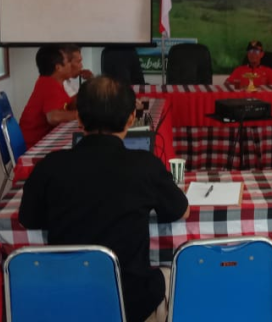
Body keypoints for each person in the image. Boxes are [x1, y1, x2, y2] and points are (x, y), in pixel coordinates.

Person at [19, 76, 190, 322]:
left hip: (66, 295)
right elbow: (181, 211)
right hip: (131, 301)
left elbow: (28, 220)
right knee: (169, 272)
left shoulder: (50, 165)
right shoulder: (145, 165)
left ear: (79, 119)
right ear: (131, 119)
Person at [19, 46, 78, 148]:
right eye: (69, 62)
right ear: (58, 67)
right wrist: (81, 115)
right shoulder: (49, 85)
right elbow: (54, 117)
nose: (71, 66)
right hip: (33, 145)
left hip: (42, 140)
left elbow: (70, 105)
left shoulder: (54, 82)